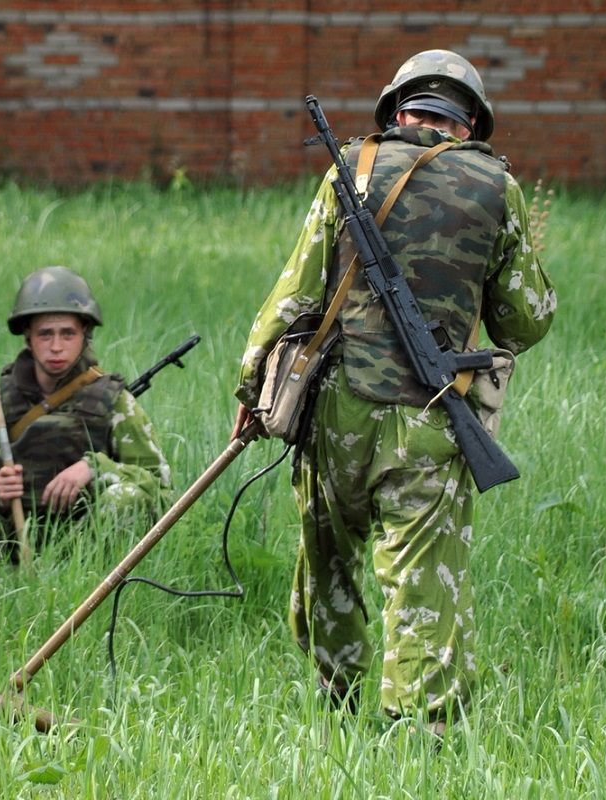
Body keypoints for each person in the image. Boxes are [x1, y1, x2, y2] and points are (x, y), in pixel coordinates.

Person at [233, 50, 556, 731]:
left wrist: (250, 387)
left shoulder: (348, 170)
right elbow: (523, 321)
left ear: (398, 110)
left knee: (328, 565)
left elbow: (293, 298)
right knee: (422, 582)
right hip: (432, 423)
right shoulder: (498, 189)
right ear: (469, 122)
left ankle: (336, 705)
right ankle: (422, 734)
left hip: (335, 412)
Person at [0, 266, 171, 558]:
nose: (56, 347)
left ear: (85, 335)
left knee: (126, 498)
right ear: (28, 337)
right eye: (45, 334)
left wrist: (95, 469)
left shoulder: (115, 402)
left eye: (67, 334)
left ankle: (94, 579)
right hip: (15, 550)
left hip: (91, 547)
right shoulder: (0, 404)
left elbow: (159, 489)